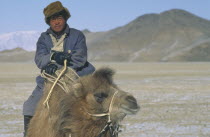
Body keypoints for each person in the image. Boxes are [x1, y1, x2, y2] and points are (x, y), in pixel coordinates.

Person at [22, 1, 95, 136]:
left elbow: (80, 58)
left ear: (65, 19)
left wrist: (62, 66)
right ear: (49, 22)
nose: (56, 22)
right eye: (53, 19)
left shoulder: (77, 35)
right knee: (29, 107)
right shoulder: (44, 38)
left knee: (93, 105)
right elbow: (39, 59)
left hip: (76, 76)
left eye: (59, 18)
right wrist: (52, 59)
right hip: (49, 79)